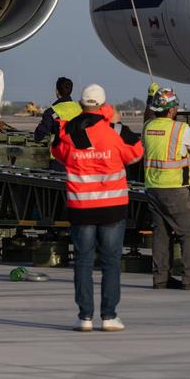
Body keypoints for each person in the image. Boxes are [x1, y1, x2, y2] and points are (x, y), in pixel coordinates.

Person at [52, 84, 144, 331]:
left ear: (81, 105)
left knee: (83, 261)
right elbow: (136, 152)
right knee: (111, 262)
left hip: (82, 207)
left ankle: (85, 317)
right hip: (112, 207)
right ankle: (109, 316)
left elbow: (58, 153)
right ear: (103, 105)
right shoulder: (115, 131)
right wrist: (114, 123)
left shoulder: (70, 131)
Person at [142, 86, 190, 291]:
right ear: (172, 109)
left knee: (161, 234)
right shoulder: (180, 129)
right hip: (175, 188)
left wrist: (150, 97)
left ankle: (161, 279)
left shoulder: (147, 127)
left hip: (153, 188)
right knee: (189, 232)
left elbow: (148, 119)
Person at [33, 77, 80, 142]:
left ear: (57, 91)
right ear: (70, 91)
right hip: (83, 147)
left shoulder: (51, 112)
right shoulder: (81, 108)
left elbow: (38, 136)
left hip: (62, 147)